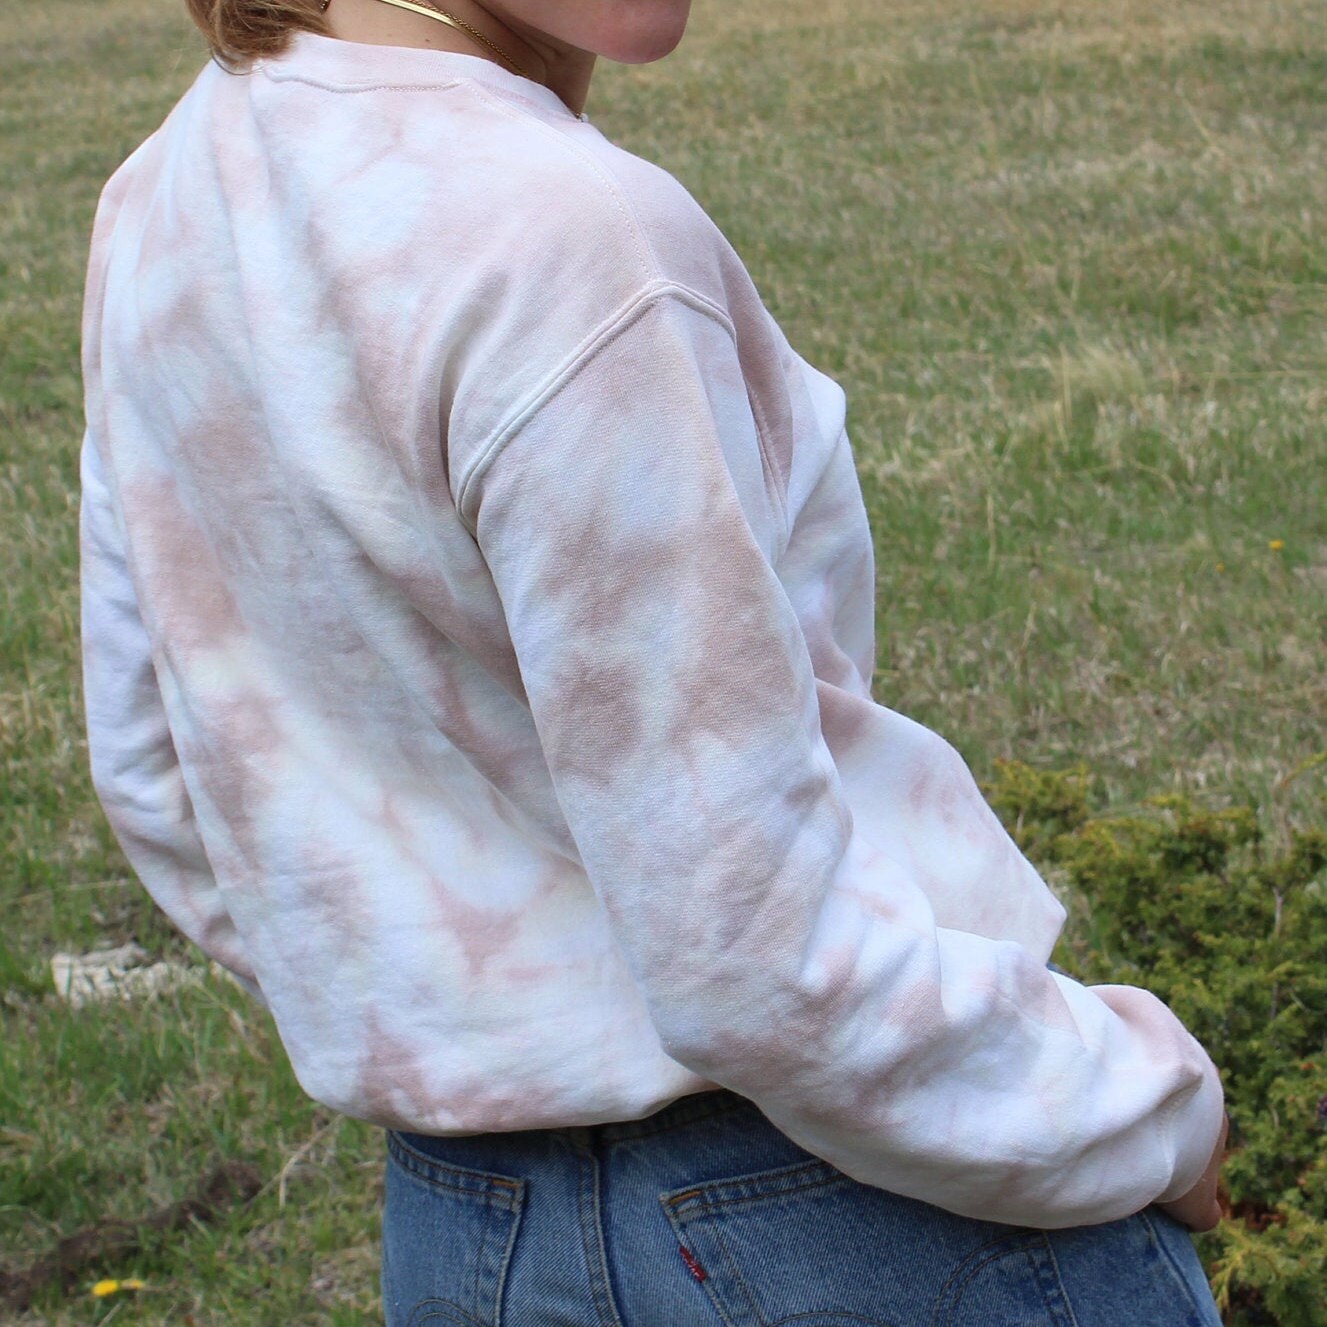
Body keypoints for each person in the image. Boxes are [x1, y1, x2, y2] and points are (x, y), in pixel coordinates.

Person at [78, 0, 1229, 1322]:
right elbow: (759, 953)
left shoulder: (161, 200)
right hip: (843, 1220)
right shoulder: (566, 234)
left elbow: (163, 780)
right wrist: (1140, 1114)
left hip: (467, 1236)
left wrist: (469, 1009)